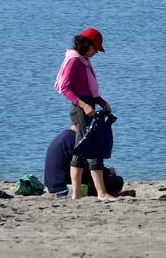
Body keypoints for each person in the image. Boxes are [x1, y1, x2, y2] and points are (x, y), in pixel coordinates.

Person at [54, 27, 116, 201]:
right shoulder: (74, 60)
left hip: (88, 105)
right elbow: (65, 89)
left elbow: (89, 91)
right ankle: (101, 193)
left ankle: (77, 193)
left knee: (81, 149)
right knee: (91, 147)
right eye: (95, 48)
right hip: (80, 108)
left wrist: (103, 103)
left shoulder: (84, 61)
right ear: (86, 44)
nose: (96, 52)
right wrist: (84, 105)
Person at [44, 125, 125, 197]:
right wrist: (108, 171)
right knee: (117, 181)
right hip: (64, 189)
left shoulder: (64, 136)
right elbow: (88, 169)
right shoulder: (76, 140)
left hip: (51, 187)